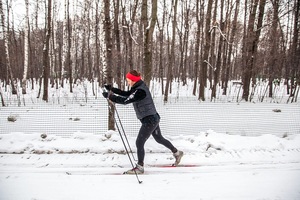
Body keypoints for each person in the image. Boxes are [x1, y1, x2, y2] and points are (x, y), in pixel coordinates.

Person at [102, 70, 183, 174]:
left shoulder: (140, 91)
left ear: (133, 80)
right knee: (159, 138)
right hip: (152, 117)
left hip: (150, 120)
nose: (127, 82)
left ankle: (140, 167)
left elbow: (126, 100)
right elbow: (127, 94)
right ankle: (177, 153)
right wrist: (112, 90)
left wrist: (110, 96)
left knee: (139, 142)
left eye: (128, 80)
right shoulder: (137, 87)